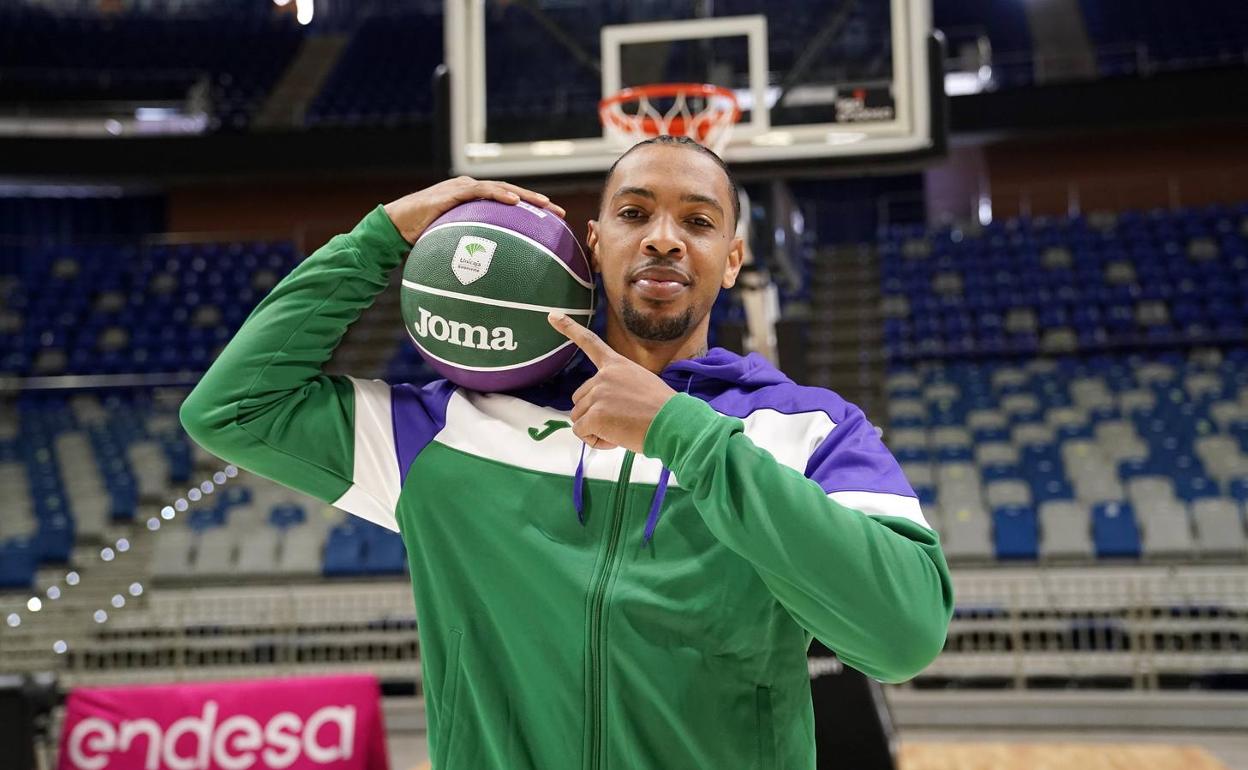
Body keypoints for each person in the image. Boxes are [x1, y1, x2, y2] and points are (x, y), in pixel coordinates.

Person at [180, 135, 953, 769]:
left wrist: (682, 433)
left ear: (733, 259)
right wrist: (382, 238)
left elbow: (904, 634)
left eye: (698, 221)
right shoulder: (455, 427)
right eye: (634, 212)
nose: (663, 237)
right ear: (591, 243)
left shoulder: (808, 432)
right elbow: (232, 408)